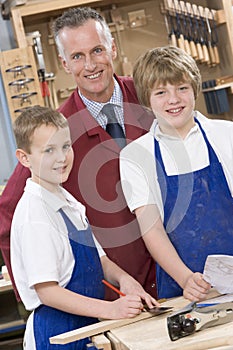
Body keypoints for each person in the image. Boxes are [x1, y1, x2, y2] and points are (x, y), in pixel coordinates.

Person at [0, 7, 156, 302]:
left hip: (179, 274)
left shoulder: (151, 97)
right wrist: (40, 295)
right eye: (77, 56)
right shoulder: (55, 133)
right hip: (115, 296)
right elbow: (7, 210)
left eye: (97, 50)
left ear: (112, 47)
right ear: (64, 64)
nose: (90, 65)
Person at [11, 105, 158, 350]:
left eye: (65, 146)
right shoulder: (35, 213)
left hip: (85, 327)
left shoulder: (67, 201)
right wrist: (111, 309)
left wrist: (125, 280)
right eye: (49, 150)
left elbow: (98, 259)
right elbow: (48, 292)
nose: (61, 158)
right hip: (56, 335)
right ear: (24, 158)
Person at [120, 46, 233, 301]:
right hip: (182, 290)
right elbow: (152, 230)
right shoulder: (135, 156)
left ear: (194, 89)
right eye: (161, 92)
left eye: (181, 88)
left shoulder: (227, 135)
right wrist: (186, 279)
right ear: (146, 99)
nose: (174, 99)